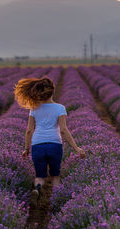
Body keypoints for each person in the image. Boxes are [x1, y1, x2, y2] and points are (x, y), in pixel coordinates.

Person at [14, 76, 85, 204]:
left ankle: (37, 189)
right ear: (53, 91)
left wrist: (26, 149)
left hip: (37, 145)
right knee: (55, 175)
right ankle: (58, 199)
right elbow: (63, 130)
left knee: (40, 176)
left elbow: (29, 130)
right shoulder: (60, 108)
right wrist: (76, 148)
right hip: (54, 144)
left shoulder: (34, 109)